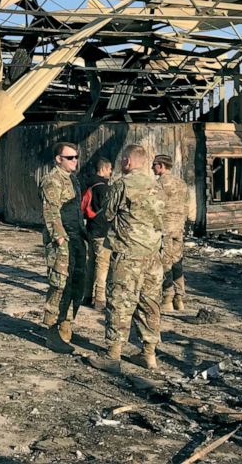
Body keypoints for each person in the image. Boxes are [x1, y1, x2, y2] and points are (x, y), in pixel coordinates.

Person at [89, 144, 165, 371]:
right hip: (153, 256)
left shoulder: (121, 185)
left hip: (128, 255)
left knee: (120, 304)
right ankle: (149, 355)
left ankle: (113, 356)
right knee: (150, 304)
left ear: (128, 162)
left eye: (122, 160)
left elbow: (109, 213)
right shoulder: (157, 186)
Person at [39, 142, 86, 354]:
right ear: (58, 159)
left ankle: (66, 325)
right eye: (70, 157)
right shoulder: (52, 181)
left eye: (76, 157)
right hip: (63, 240)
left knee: (76, 283)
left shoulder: (72, 179)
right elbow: (51, 212)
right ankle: (51, 331)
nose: (74, 161)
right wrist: (60, 240)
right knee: (59, 284)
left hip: (76, 238)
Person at [152, 154, 191, 311]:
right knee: (177, 262)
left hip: (164, 230)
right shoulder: (182, 184)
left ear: (161, 166)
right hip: (178, 229)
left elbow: (154, 207)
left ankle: (167, 298)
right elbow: (187, 206)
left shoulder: (159, 185)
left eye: (154, 164)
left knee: (165, 263)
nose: (152, 167)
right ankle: (179, 297)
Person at [83, 158, 113, 311]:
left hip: (90, 229)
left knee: (90, 263)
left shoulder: (87, 184)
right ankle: (100, 298)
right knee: (102, 265)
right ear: (104, 169)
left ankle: (86, 295)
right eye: (109, 169)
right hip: (102, 231)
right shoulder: (105, 189)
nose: (111, 172)